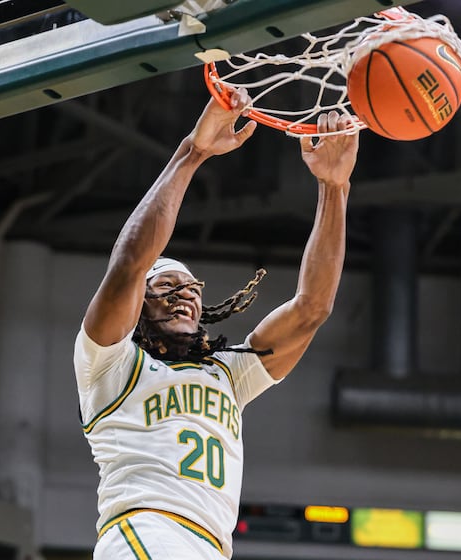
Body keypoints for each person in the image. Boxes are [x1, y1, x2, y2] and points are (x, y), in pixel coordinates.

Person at [73, 86, 359, 559]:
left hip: (210, 545)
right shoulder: (108, 363)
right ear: (138, 308)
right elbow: (129, 264)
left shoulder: (227, 372)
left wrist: (335, 187)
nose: (183, 297)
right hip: (146, 531)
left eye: (190, 290)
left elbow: (312, 308)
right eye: (166, 289)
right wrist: (194, 151)